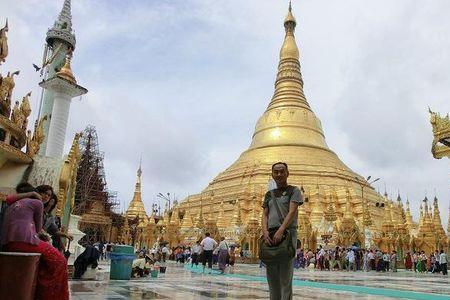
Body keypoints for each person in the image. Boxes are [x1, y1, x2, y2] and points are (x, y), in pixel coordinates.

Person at [1, 182, 69, 300]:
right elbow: (38, 229)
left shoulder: (13, 204)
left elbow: (8, 198)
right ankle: (50, 296)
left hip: (7, 243)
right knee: (61, 261)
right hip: (27, 242)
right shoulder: (37, 203)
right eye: (44, 193)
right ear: (37, 192)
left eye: (49, 195)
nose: (47, 197)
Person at [261, 162, 303, 300]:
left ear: (287, 173)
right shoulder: (269, 194)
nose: (279, 174)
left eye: (282, 171)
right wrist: (265, 232)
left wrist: (281, 229)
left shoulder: (294, 191)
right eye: (276, 172)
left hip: (286, 235)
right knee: (272, 278)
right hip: (271, 236)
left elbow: (292, 212)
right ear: (272, 174)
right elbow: (265, 215)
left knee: (285, 278)